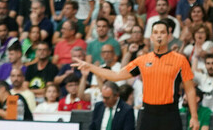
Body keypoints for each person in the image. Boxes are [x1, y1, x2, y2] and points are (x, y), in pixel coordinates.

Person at [72, 19, 200, 130]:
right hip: (148, 113)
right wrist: (90, 67)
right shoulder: (142, 60)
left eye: (162, 32)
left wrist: (194, 116)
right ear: (151, 37)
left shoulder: (180, 60)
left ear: (168, 36)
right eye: (155, 32)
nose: (159, 36)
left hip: (170, 113)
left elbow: (190, 90)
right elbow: (116, 75)